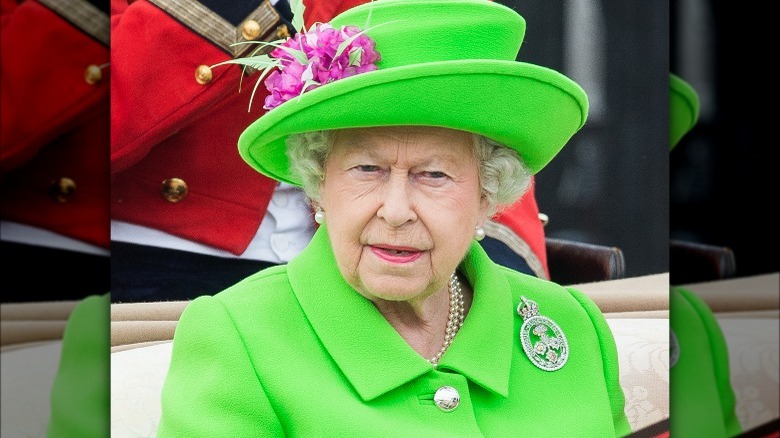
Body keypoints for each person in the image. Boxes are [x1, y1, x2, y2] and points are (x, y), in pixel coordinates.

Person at [156, 0, 631, 436]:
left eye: (434, 174)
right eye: (367, 169)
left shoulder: (572, 324)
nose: (397, 211)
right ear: (319, 184)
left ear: (487, 196)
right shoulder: (238, 338)